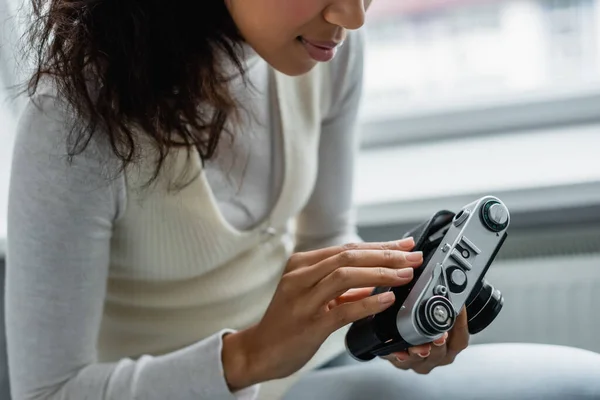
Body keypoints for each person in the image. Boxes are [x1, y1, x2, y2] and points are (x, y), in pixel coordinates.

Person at [5, 0, 600, 399]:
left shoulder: (323, 51)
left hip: (310, 378)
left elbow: (325, 240)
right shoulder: (73, 122)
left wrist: (386, 321)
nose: (353, 15)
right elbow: (49, 390)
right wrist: (248, 357)